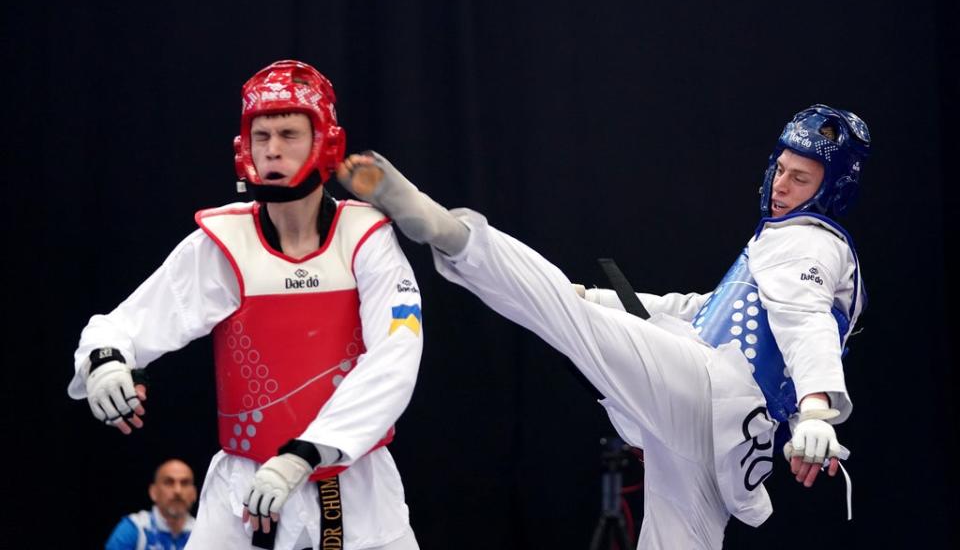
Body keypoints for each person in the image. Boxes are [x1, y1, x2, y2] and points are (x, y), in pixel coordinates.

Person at [335, 105, 870, 549]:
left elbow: (806, 320)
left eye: (800, 178)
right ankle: (496, 259)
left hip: (715, 392)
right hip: (728, 440)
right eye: (780, 168)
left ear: (833, 188)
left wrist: (818, 411)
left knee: (572, 324)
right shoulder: (787, 245)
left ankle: (451, 233)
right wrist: (601, 296)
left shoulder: (810, 241)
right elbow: (701, 311)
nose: (781, 184)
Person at [69, 60, 423, 550]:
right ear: (243, 146)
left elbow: (395, 358)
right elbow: (121, 327)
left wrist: (306, 453)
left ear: (326, 141)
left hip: (354, 485)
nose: (272, 149)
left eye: (288, 133)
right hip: (244, 487)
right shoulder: (224, 242)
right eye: (261, 135)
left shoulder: (366, 238)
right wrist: (105, 363)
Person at [105, 458, 197, 550]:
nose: (178, 490)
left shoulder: (202, 531)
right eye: (169, 482)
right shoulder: (135, 528)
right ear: (153, 492)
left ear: (194, 493)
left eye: (185, 483)